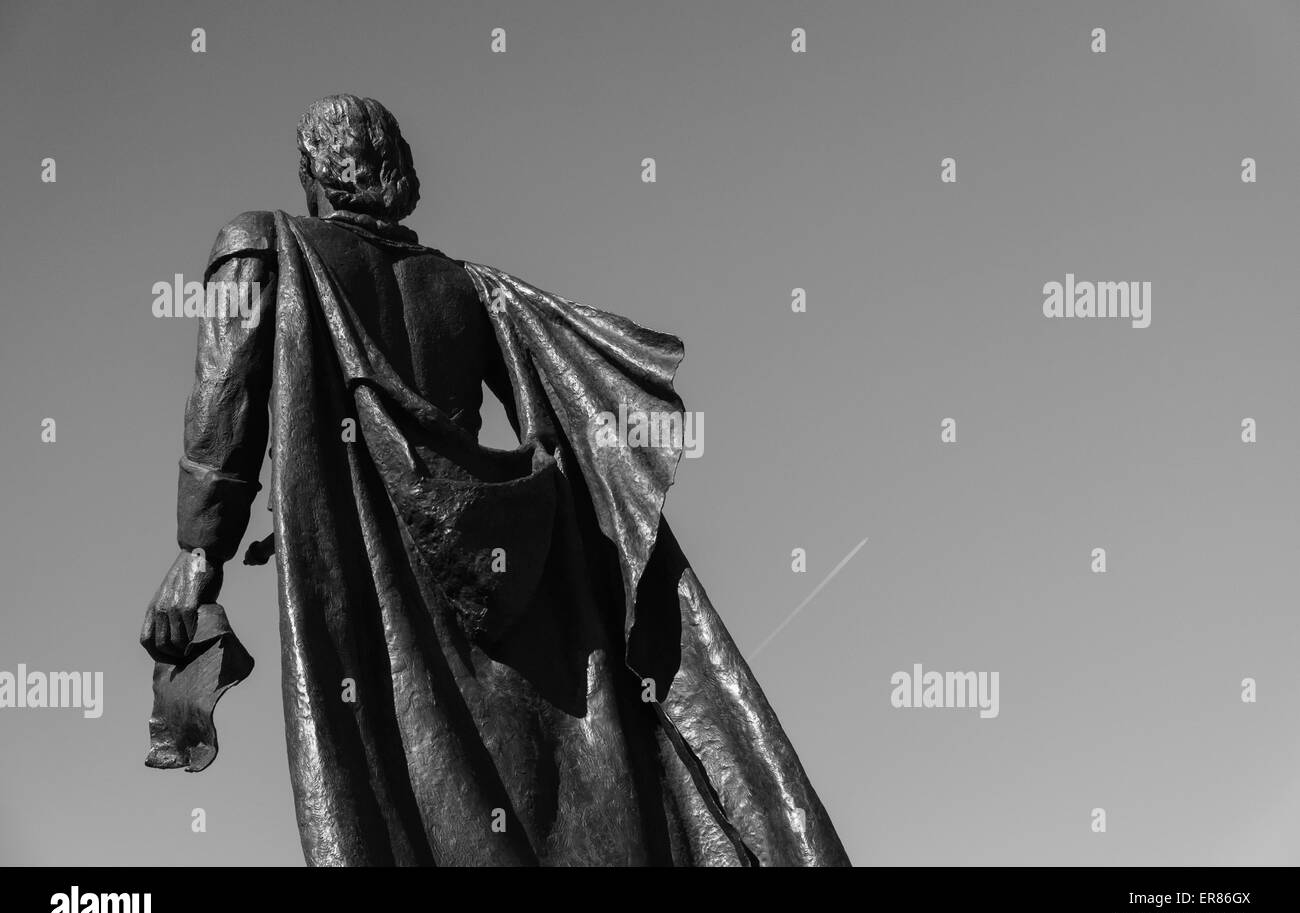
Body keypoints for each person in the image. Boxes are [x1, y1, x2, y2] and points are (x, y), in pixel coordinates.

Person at [140, 94, 849, 867]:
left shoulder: (261, 245)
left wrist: (200, 551)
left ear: (314, 172)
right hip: (515, 602)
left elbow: (226, 395)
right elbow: (554, 429)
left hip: (380, 587)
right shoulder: (470, 291)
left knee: (409, 808)